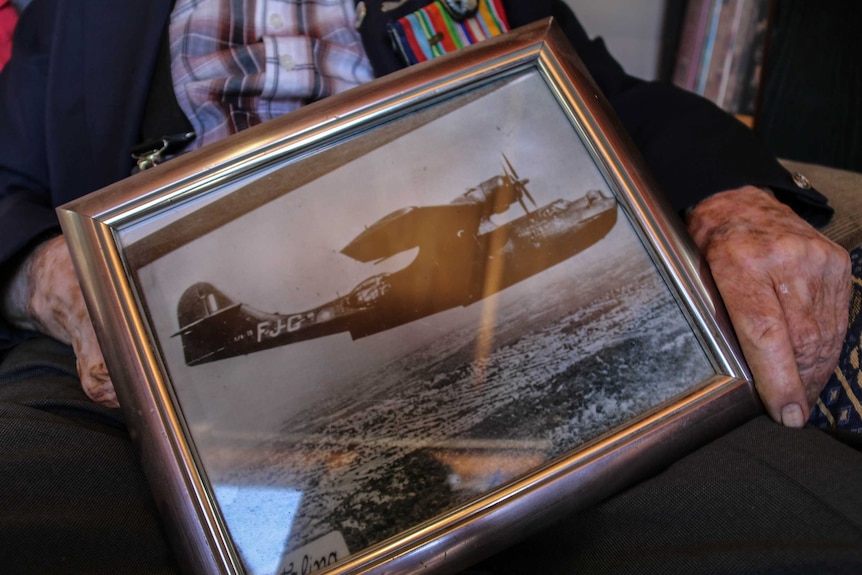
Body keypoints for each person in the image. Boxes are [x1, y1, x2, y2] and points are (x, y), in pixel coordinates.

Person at [0, 0, 859, 573]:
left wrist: (742, 204)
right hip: (133, 388)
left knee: (811, 526)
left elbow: (619, 102)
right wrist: (50, 276)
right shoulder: (73, 15)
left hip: (508, 339)